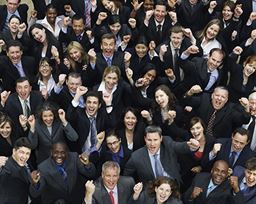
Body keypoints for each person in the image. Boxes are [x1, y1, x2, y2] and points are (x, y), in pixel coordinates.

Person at [123, 125, 200, 185]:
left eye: (155, 140)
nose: (152, 144)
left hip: (172, 187)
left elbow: (179, 146)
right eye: (149, 140)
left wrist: (191, 147)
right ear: (145, 139)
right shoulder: (136, 156)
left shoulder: (167, 144)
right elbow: (127, 175)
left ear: (161, 138)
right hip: (151, 193)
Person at [30, 142, 96, 204]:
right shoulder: (43, 168)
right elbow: (35, 194)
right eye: (56, 152)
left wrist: (87, 164)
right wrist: (35, 183)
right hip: (55, 201)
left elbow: (91, 174)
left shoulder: (74, 158)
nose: (59, 155)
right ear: (51, 153)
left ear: (67, 152)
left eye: (62, 152)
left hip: (76, 200)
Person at [183, 86, 250, 139]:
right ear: (212, 96)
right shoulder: (204, 98)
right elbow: (186, 100)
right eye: (217, 95)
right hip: (195, 137)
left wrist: (247, 107)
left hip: (215, 145)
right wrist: (190, 92)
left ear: (226, 100)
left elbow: (244, 120)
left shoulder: (231, 109)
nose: (219, 98)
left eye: (223, 97)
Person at [0, 137, 32, 204]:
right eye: (22, 152)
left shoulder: (22, 165)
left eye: (27, 153)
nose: (24, 156)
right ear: (14, 151)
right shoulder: (6, 171)